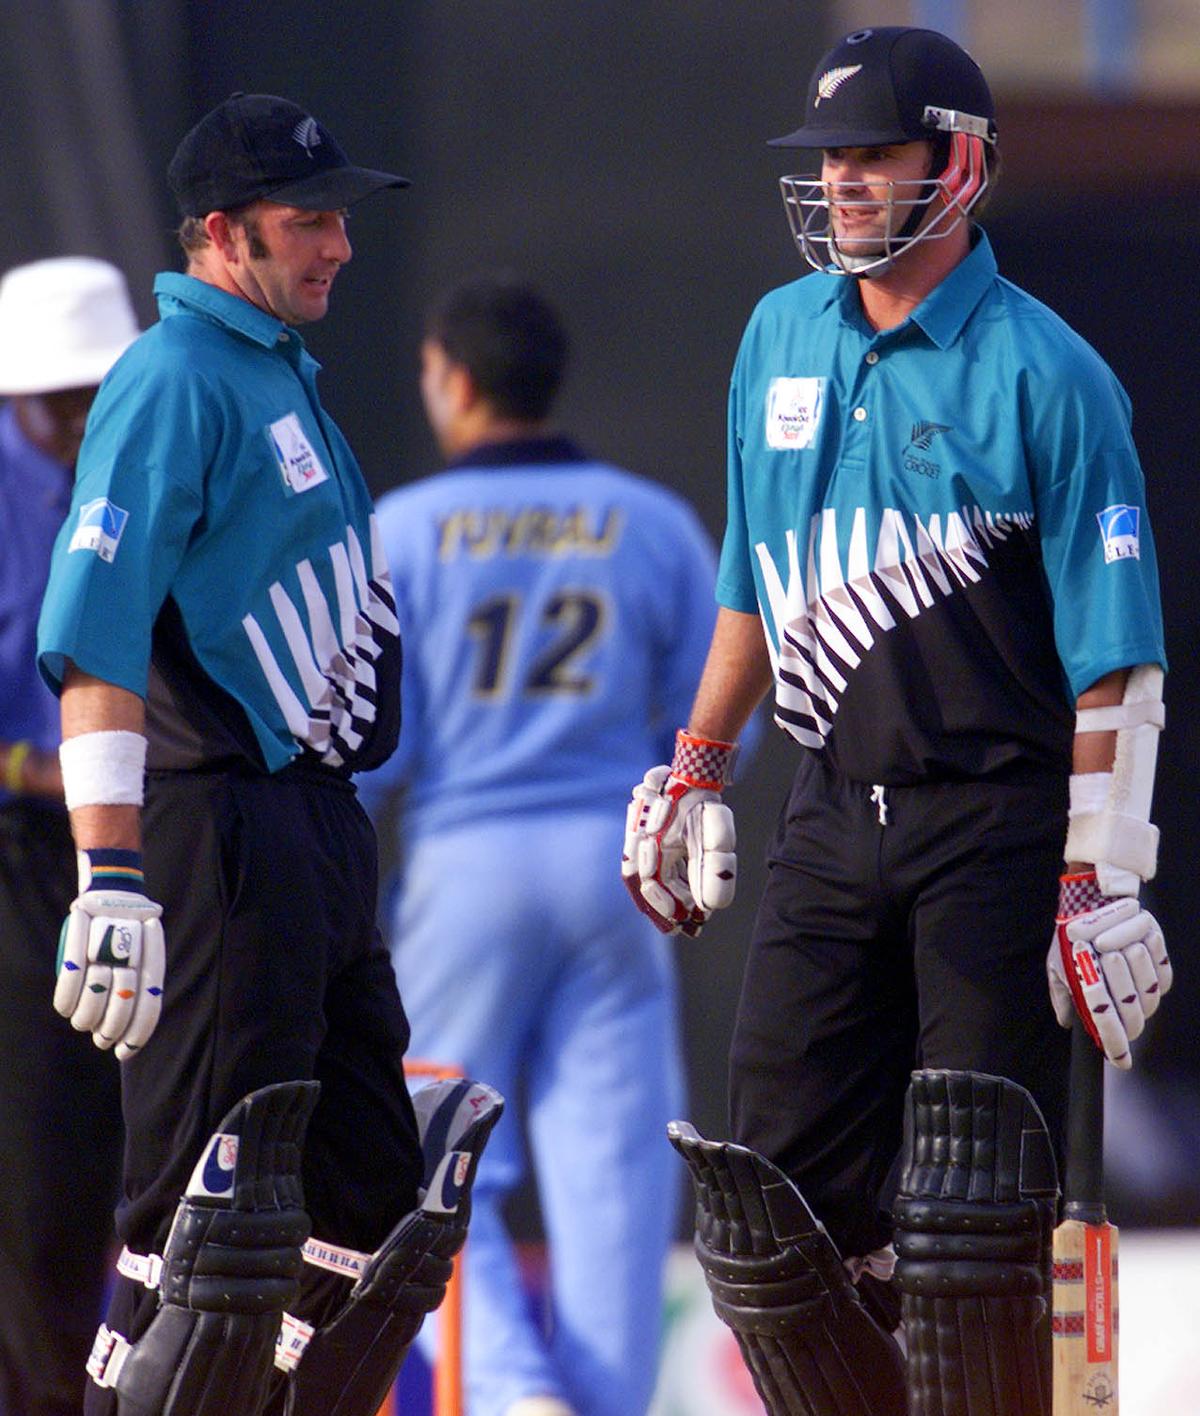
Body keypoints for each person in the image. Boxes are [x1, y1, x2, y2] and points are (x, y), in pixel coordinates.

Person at [621, 27, 1170, 1416]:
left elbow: (1117, 656)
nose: (845, 184)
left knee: (977, 1199)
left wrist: (1101, 870)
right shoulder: (776, 335)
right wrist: (697, 769)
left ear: (962, 163)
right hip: (825, 808)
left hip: (991, 821)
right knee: (773, 1202)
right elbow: (753, 572)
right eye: (831, 160)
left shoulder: (1054, 375)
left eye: (874, 156)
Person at [35, 94, 500, 1416]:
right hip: (211, 830)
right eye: (310, 221)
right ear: (225, 232)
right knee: (194, 1211)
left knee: (366, 1202)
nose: (341, 246)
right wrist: (110, 873)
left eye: (341, 217)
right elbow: (96, 637)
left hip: (310, 826)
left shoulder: (278, 370)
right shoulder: (171, 378)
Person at [358, 274, 721, 1416]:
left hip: (464, 869)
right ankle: (603, 1404)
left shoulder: (399, 531)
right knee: (614, 1177)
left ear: (453, 381)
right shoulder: (653, 521)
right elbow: (722, 720)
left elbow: (359, 748)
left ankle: (513, 1392)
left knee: (431, 1154)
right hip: (617, 874)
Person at [0, 256, 138, 1416]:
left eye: (101, 397)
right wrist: (33, 767)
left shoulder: (132, 473)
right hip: (21, 853)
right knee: (40, 1164)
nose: (85, 422)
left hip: (122, 849)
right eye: (62, 402)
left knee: (104, 1150)